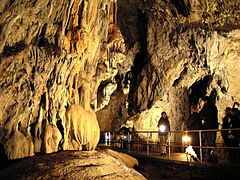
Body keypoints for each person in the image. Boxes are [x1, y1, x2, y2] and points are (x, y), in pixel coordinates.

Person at [199, 96, 218, 162]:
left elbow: (201, 115)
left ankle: (212, 157)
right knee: (212, 142)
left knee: (209, 143)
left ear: (205, 101)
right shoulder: (214, 107)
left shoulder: (206, 107)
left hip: (208, 127)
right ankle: (213, 156)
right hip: (213, 127)